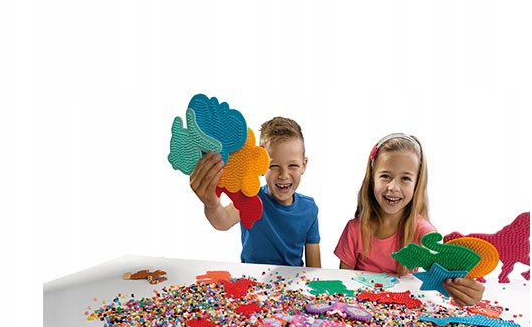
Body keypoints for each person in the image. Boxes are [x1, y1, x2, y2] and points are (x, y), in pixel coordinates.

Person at [334, 133, 484, 306]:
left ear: (417, 183)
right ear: (372, 178)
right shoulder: (354, 230)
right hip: (361, 308)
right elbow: (344, 282)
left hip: (404, 308)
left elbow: (445, 268)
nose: (393, 187)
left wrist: (465, 288)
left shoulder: (423, 232)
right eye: (385, 176)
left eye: (405, 178)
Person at [189, 116, 321, 268]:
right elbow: (223, 221)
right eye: (273, 166)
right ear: (260, 164)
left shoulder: (309, 208)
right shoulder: (250, 197)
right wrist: (212, 204)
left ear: (304, 165)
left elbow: (315, 269)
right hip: (251, 279)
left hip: (293, 281)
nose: (284, 175)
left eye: (292, 165)